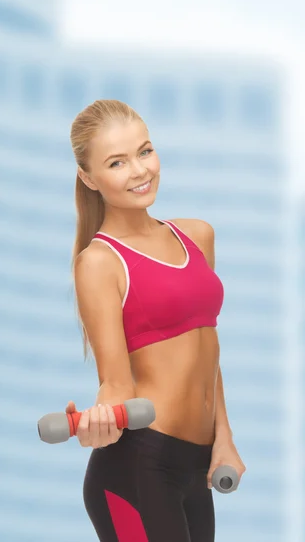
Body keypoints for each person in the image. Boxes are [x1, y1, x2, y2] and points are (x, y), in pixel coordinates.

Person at [66, 99, 245, 542]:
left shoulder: (197, 236)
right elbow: (116, 382)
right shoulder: (100, 263)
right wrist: (99, 422)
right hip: (137, 467)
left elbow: (207, 353)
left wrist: (224, 438)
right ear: (89, 178)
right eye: (116, 162)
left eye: (144, 152)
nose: (140, 171)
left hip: (196, 463)